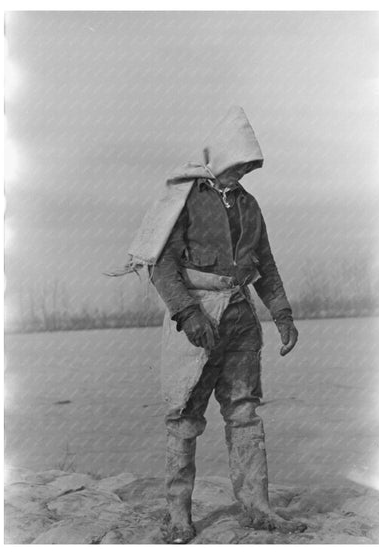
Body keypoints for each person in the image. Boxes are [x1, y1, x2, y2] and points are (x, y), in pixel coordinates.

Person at [125, 106, 305, 543]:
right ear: (223, 156)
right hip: (196, 319)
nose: (243, 171)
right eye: (239, 162)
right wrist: (188, 314)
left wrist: (282, 314)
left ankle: (258, 509)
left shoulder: (249, 204)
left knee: (244, 413)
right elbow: (162, 264)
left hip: (241, 320)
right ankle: (179, 517)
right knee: (184, 417)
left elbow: (265, 264)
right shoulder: (185, 199)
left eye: (249, 165)